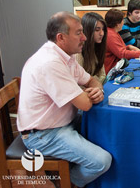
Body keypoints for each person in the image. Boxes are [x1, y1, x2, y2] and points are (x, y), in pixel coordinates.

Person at [17, 11, 112, 188]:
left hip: (63, 123)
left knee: (108, 131)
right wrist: (93, 93)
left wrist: (97, 89)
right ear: (61, 37)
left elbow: (92, 80)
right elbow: (85, 104)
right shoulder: (50, 63)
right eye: (78, 33)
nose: (84, 37)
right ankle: (64, 183)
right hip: (43, 135)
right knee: (102, 161)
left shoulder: (65, 57)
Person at [104, 8, 140, 74]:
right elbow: (122, 54)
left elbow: (117, 50)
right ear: (117, 24)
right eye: (122, 21)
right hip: (111, 70)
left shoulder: (113, 32)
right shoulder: (110, 35)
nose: (123, 23)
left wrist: (128, 47)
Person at [76, 12, 107, 84]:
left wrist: (94, 80)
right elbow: (79, 82)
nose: (101, 33)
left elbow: (103, 75)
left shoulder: (98, 46)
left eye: (103, 30)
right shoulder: (78, 52)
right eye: (97, 30)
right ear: (87, 31)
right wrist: (94, 80)